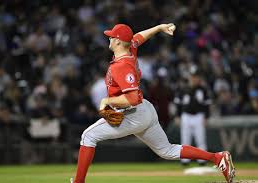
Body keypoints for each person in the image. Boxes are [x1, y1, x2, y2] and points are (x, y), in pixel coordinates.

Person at [71, 24, 235, 183]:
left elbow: (132, 98)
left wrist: (107, 100)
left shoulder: (121, 66)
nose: (109, 39)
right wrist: (158, 28)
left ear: (119, 42)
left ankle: (79, 182)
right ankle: (217, 157)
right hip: (145, 110)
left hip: (131, 114)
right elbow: (139, 37)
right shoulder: (129, 49)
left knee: (88, 136)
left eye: (112, 37)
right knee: (167, 150)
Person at [174, 68, 211, 166]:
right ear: (190, 77)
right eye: (193, 76)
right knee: (185, 139)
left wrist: (206, 117)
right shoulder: (183, 89)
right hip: (186, 116)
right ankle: (185, 161)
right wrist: (177, 116)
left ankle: (202, 160)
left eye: (197, 77)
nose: (195, 79)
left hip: (199, 116)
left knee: (201, 139)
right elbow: (178, 104)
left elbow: (207, 105)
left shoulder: (203, 89)